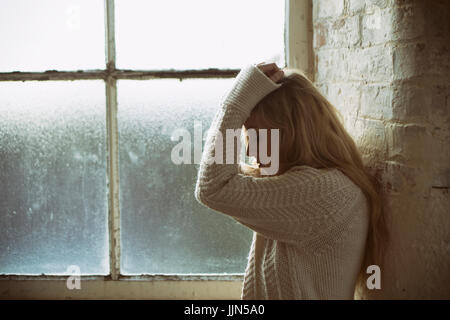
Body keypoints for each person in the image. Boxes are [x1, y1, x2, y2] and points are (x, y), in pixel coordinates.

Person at [194, 62, 388, 299]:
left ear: (290, 132)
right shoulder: (299, 183)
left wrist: (235, 103)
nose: (248, 147)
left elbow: (213, 186)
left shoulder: (325, 193)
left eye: (256, 134)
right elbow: (219, 179)